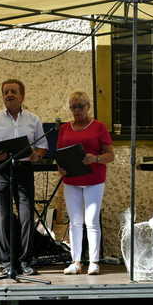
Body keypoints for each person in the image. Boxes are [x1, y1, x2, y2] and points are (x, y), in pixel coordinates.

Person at [0, 79, 48, 275]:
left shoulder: (33, 119)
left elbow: (42, 147)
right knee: (3, 217)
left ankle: (26, 260)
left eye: (13, 92)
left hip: (23, 169)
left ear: (22, 96)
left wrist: (37, 155)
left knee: (26, 216)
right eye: (6, 92)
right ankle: (7, 261)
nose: (9, 95)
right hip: (1, 169)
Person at [57, 91, 114, 275]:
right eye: (73, 107)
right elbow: (60, 154)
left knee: (91, 221)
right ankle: (76, 261)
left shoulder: (98, 127)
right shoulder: (65, 128)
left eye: (80, 106)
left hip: (93, 180)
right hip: (71, 179)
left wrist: (95, 159)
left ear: (88, 106)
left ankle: (94, 261)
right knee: (74, 221)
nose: (77, 110)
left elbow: (110, 155)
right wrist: (61, 167)